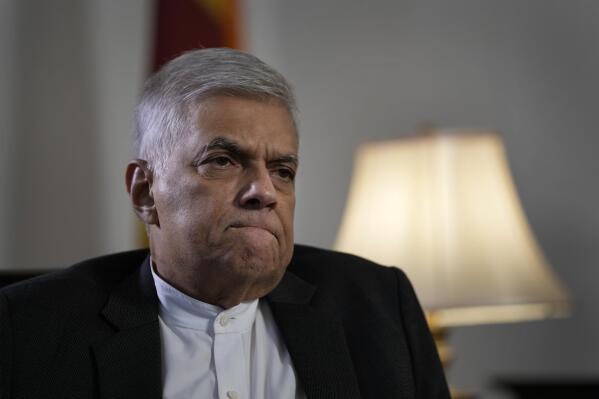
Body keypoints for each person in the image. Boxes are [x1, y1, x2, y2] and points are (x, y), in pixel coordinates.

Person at [0, 48, 450, 399]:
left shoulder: (379, 309)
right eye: (222, 160)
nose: (264, 191)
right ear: (144, 191)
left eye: (283, 170)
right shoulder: (29, 331)